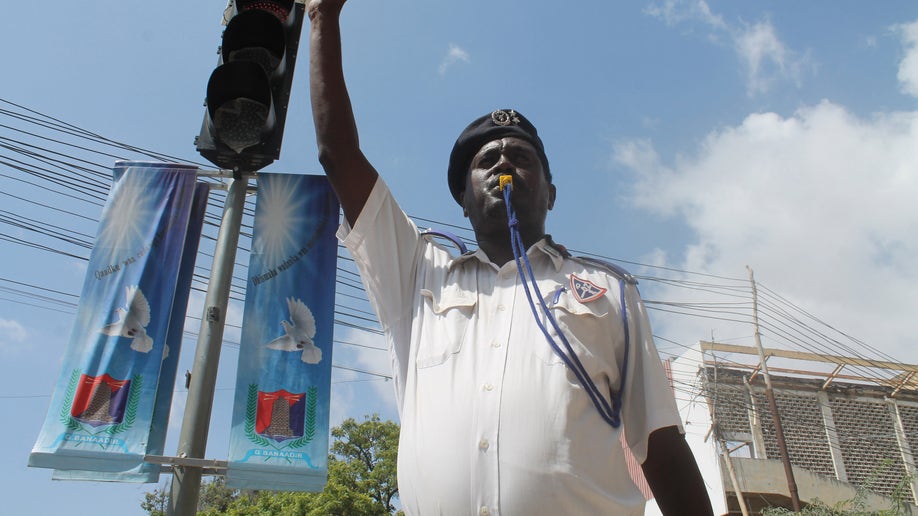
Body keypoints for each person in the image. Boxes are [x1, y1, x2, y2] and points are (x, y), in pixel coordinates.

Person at [307, 1, 714, 514]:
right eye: (486, 160)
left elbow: (661, 445)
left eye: (521, 157)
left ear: (551, 194)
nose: (503, 162)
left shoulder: (610, 292)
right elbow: (338, 156)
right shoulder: (415, 272)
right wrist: (323, 17)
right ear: (463, 197)